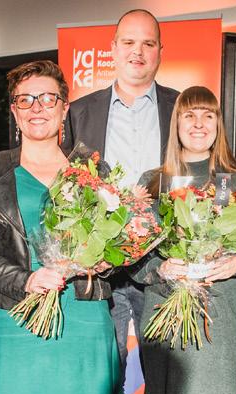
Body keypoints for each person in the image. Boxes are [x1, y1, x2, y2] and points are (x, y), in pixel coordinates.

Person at [0, 60, 123, 394]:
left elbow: (118, 241)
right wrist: (25, 280)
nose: (37, 108)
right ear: (14, 112)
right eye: (25, 100)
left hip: (84, 316)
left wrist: (107, 260)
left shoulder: (94, 170)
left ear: (64, 107)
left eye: (47, 98)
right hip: (16, 320)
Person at [130, 86, 236, 394]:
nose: (199, 124)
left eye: (208, 115)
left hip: (218, 321)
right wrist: (161, 268)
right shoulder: (154, 182)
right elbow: (134, 259)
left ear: (218, 124)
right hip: (165, 316)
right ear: (176, 123)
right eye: (189, 115)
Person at [65, 8, 180, 370]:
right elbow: (65, 189)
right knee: (102, 374)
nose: (138, 52)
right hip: (101, 269)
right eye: (129, 42)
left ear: (160, 51)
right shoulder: (78, 112)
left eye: (148, 43)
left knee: (166, 377)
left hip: (164, 265)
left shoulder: (182, 109)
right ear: (113, 48)